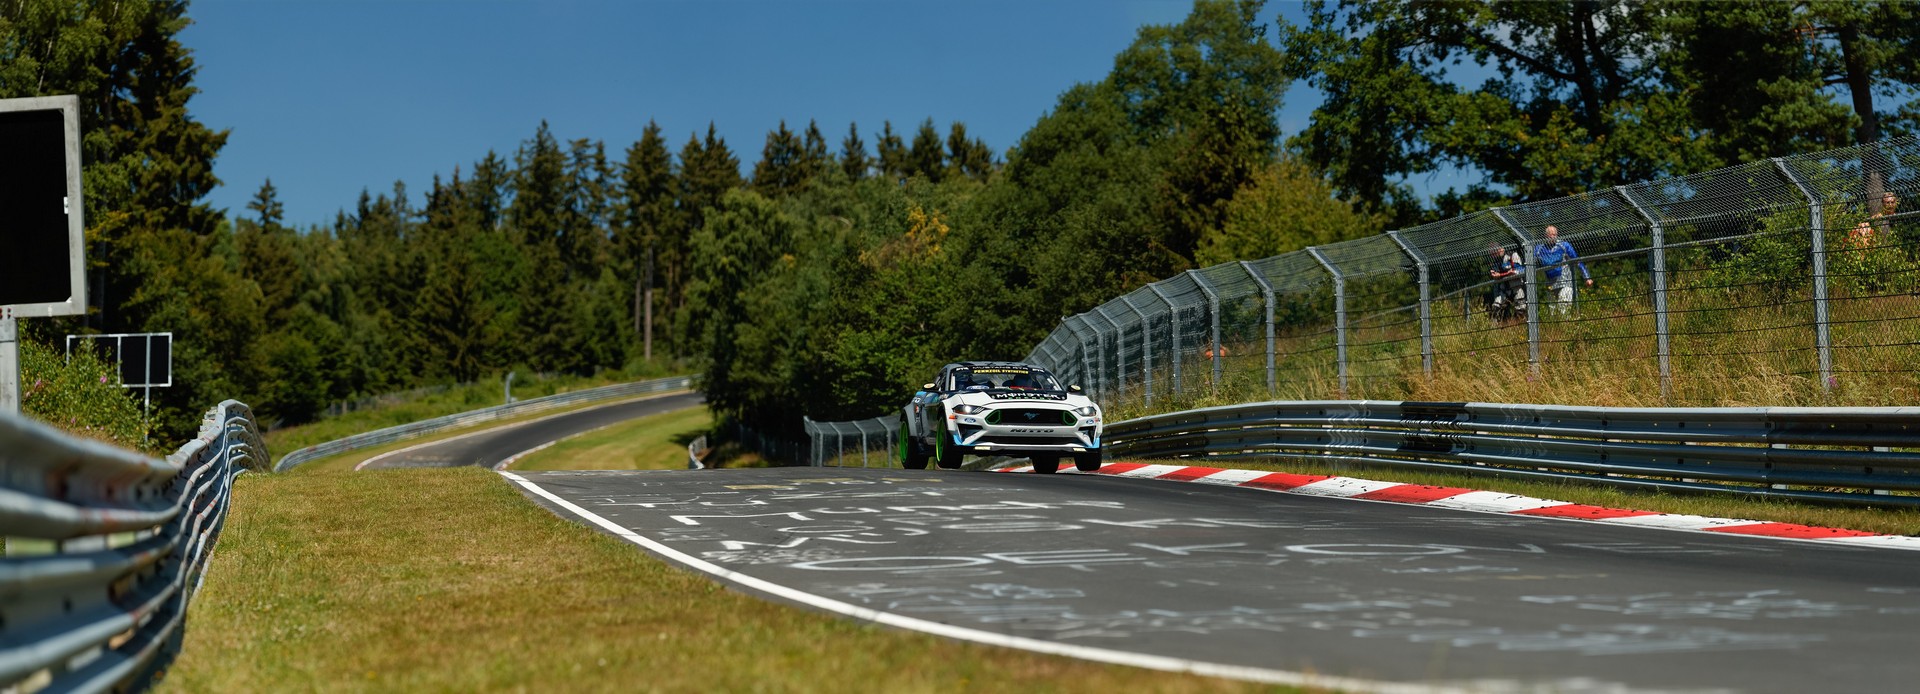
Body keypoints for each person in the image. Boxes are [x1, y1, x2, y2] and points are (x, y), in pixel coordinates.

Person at [1533, 225, 1591, 316]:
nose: (1553, 236)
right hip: (1550, 284)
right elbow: (1530, 264)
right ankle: (1557, 330)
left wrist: (1586, 277)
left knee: (1563, 310)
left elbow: (1577, 261)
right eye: (1551, 234)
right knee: (1552, 313)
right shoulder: (1539, 249)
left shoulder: (1564, 246)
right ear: (1545, 236)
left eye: (1555, 234)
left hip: (1565, 282)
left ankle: (1566, 327)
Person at [1488, 242, 1525, 321]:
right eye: (1492, 255)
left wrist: (1502, 274)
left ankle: (1521, 324)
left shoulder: (1512, 255)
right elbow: (1496, 272)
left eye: (1494, 254)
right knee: (1496, 306)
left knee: (1521, 308)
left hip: (1516, 286)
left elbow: (1519, 269)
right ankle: (1496, 327)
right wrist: (1495, 275)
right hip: (1504, 289)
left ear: (1500, 250)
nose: (1494, 256)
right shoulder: (1496, 260)